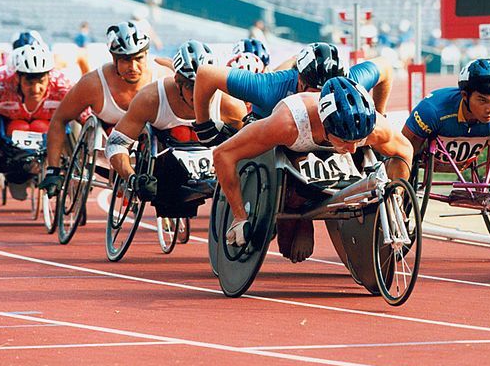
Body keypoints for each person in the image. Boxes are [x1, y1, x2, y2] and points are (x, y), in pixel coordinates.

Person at [213, 77, 413, 263]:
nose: (352, 148)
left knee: (366, 158)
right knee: (288, 247)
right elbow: (223, 154)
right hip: (295, 151)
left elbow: (404, 151)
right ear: (326, 126)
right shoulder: (286, 124)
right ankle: (298, 211)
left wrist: (397, 197)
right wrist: (239, 216)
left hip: (337, 167)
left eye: (357, 141)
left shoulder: (375, 129)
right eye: (345, 140)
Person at [38, 21, 172, 197]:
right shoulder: (93, 84)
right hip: (106, 157)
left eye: (139, 58)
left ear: (146, 54)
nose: (133, 67)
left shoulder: (162, 77)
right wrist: (53, 170)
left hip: (151, 152)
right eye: (125, 60)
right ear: (113, 58)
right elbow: (60, 119)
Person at [105, 40, 248, 202]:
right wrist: (132, 178)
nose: (198, 93)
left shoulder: (231, 104)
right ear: (178, 82)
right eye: (191, 86)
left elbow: (249, 147)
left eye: (205, 86)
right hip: (165, 168)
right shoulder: (150, 98)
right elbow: (115, 144)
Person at [192, 42, 394, 145]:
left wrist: (380, 111)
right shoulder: (269, 86)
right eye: (317, 90)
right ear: (299, 80)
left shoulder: (351, 81)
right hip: (274, 137)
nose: (320, 98)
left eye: (330, 90)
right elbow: (206, 74)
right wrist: (204, 126)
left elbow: (385, 67)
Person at [0, 44, 73, 200]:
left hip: (48, 128)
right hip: (11, 132)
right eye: (29, 82)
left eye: (41, 81)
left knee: (56, 124)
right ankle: (18, 174)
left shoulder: (62, 86)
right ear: (17, 77)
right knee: (20, 126)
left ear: (49, 76)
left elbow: (87, 118)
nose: (36, 89)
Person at [402, 58, 490, 169]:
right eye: (482, 100)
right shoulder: (432, 110)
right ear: (465, 96)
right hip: (432, 157)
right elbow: (403, 151)